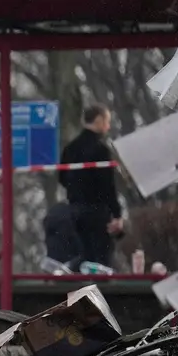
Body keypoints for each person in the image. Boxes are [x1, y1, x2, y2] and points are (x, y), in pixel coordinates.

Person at [58, 103, 123, 272]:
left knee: (82, 253)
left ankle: (71, 271)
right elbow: (108, 185)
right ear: (99, 120)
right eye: (107, 121)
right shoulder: (101, 150)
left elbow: (62, 178)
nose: (108, 126)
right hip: (97, 212)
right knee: (100, 260)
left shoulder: (69, 149)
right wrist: (116, 213)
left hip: (74, 210)